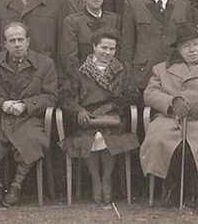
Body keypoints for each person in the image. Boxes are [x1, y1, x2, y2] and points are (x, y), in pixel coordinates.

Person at [0, 20, 58, 208]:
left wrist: (26, 105)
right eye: (12, 40)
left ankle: (17, 185)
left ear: (28, 41)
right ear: (4, 44)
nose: (17, 44)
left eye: (20, 39)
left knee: (32, 138)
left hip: (27, 118)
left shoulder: (45, 64)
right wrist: (1, 104)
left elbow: (52, 96)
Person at [139, 23, 198, 208]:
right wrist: (172, 102)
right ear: (178, 50)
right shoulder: (161, 69)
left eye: (196, 45)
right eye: (186, 46)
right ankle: (172, 188)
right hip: (169, 119)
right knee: (161, 140)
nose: (192, 50)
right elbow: (150, 93)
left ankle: (196, 190)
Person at [58, 28, 139, 203]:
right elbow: (65, 96)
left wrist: (113, 105)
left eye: (112, 49)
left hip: (114, 119)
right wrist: (78, 111)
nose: (107, 52)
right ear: (94, 47)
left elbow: (133, 95)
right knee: (94, 137)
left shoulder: (122, 71)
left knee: (105, 136)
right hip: (86, 118)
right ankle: (96, 179)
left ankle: (107, 179)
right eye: (103, 48)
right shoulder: (78, 71)